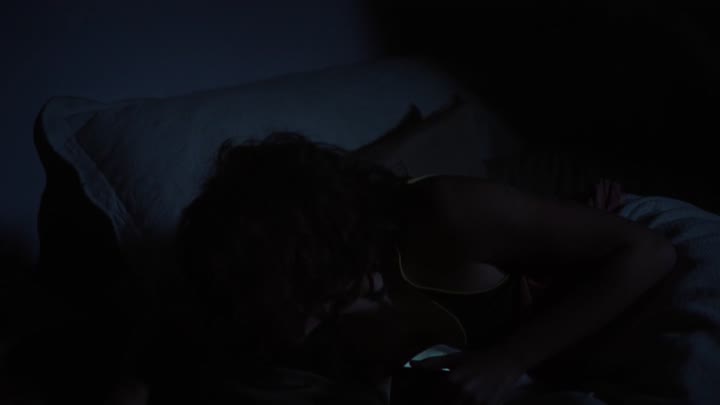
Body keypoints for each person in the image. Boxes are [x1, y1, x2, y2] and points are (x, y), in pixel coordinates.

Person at [166, 132, 676, 405]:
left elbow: (648, 253)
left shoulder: (445, 213)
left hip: (632, 245)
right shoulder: (316, 318)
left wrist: (508, 360)